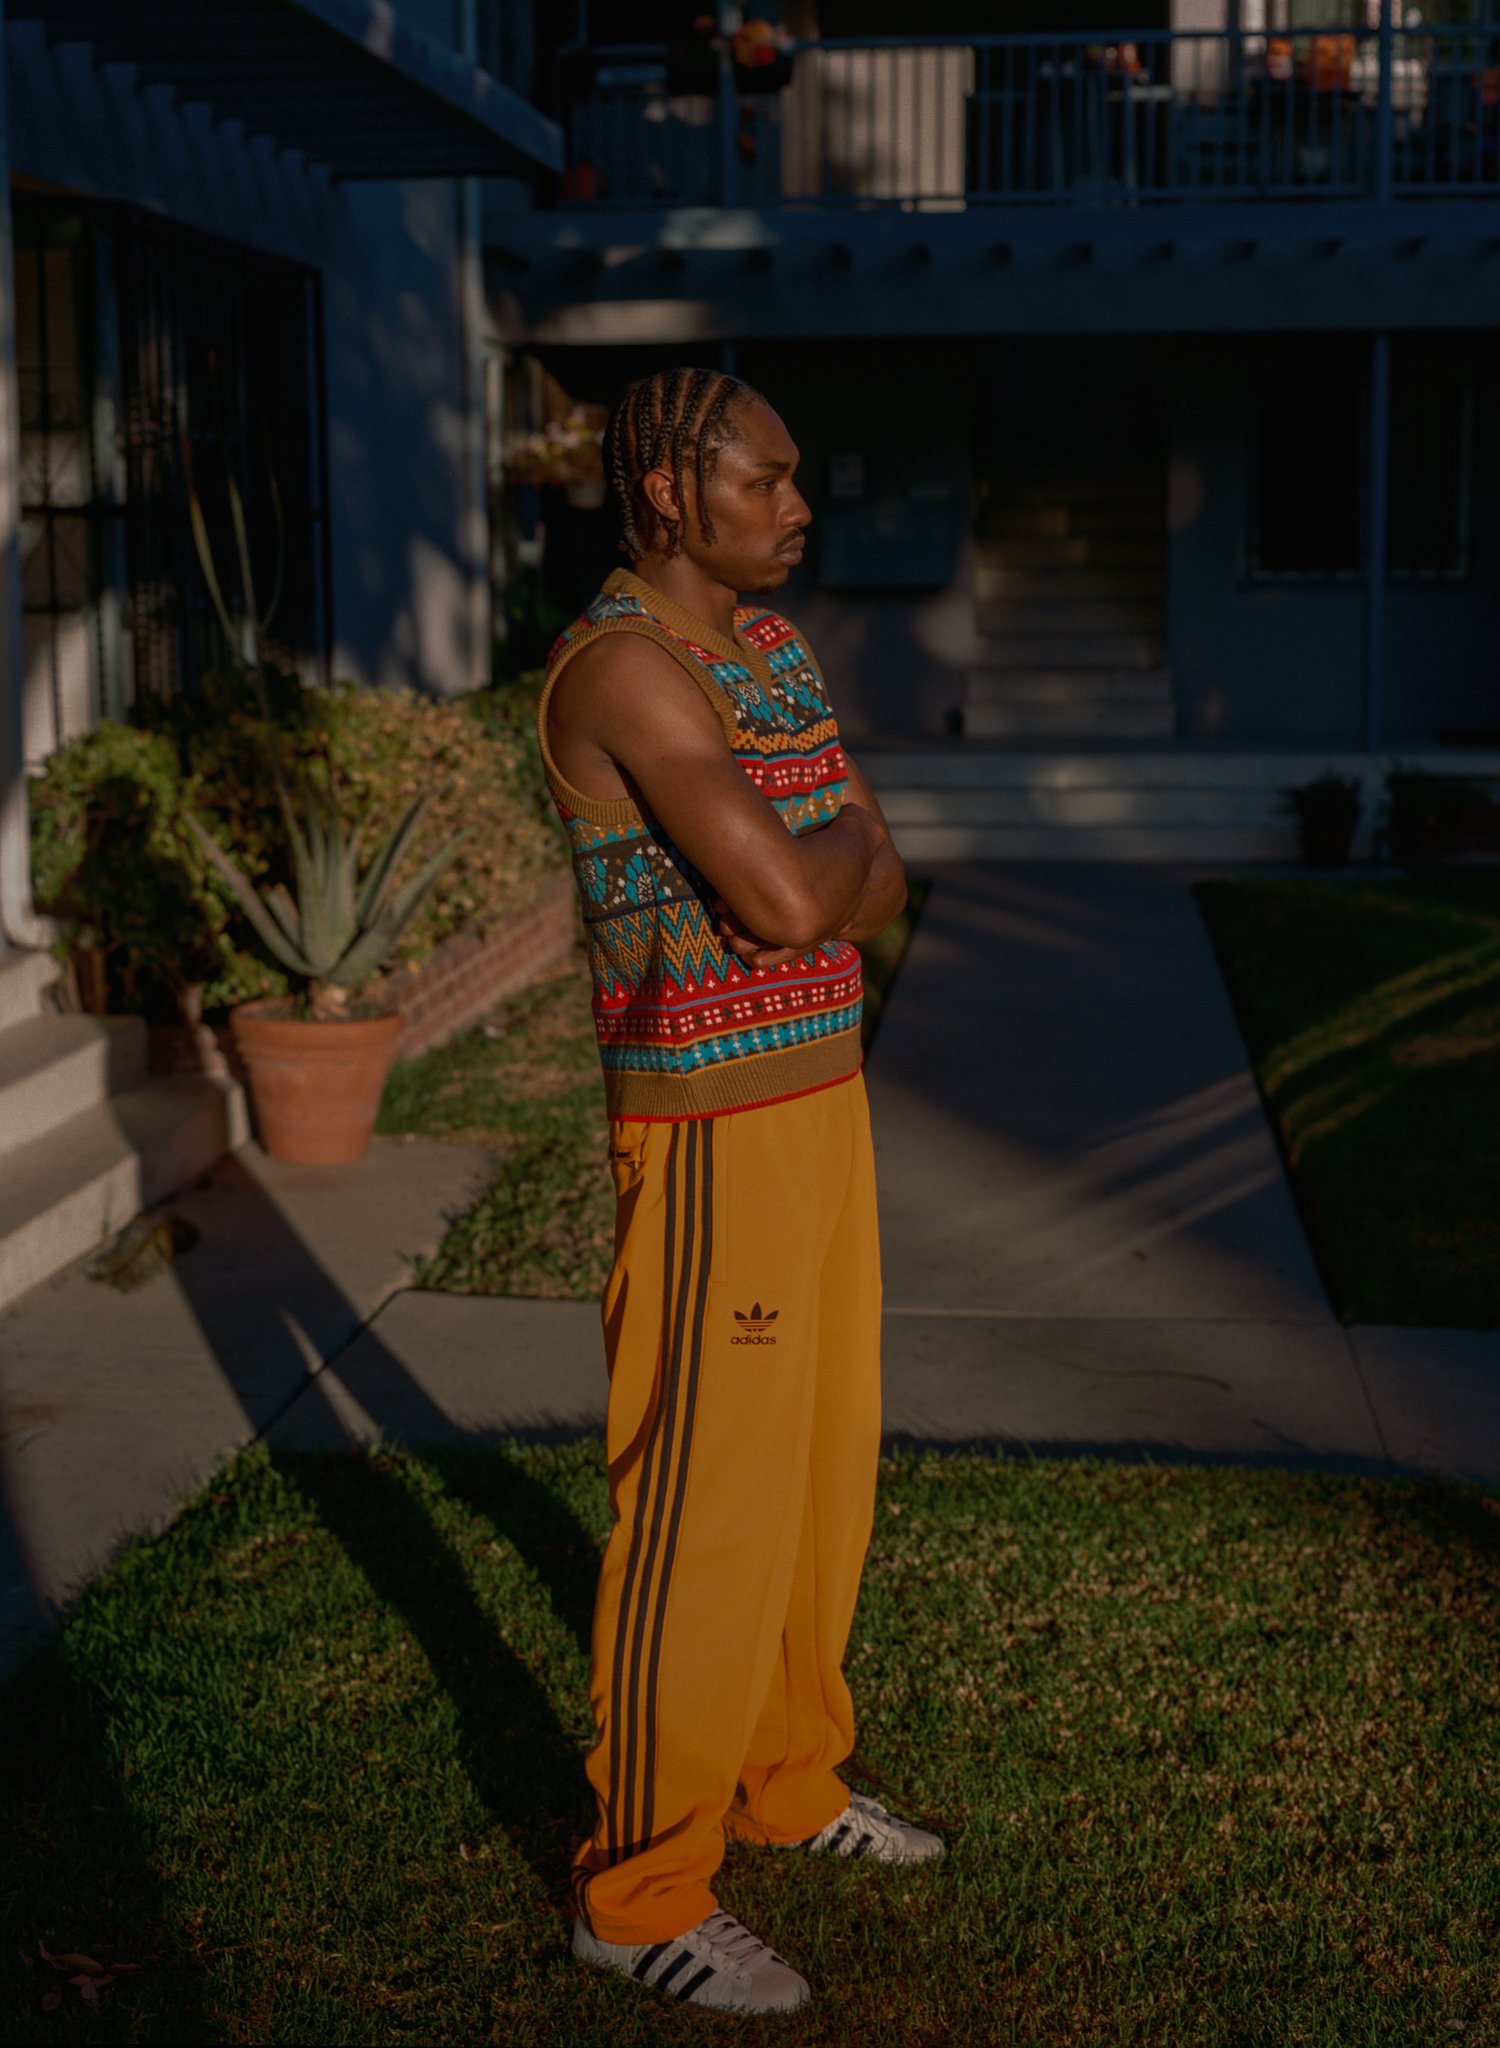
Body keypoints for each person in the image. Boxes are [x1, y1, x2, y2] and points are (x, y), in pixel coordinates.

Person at [535, 366, 942, 2017]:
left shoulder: (770, 650)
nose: (799, 507)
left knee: (820, 1471)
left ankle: (787, 1778)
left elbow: (878, 872)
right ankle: (637, 1891)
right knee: (703, 1504)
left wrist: (812, 874)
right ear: (667, 496)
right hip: (707, 1128)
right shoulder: (624, 669)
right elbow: (795, 894)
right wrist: (813, 872)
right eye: (765, 481)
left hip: (822, 1095)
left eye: (793, 478)